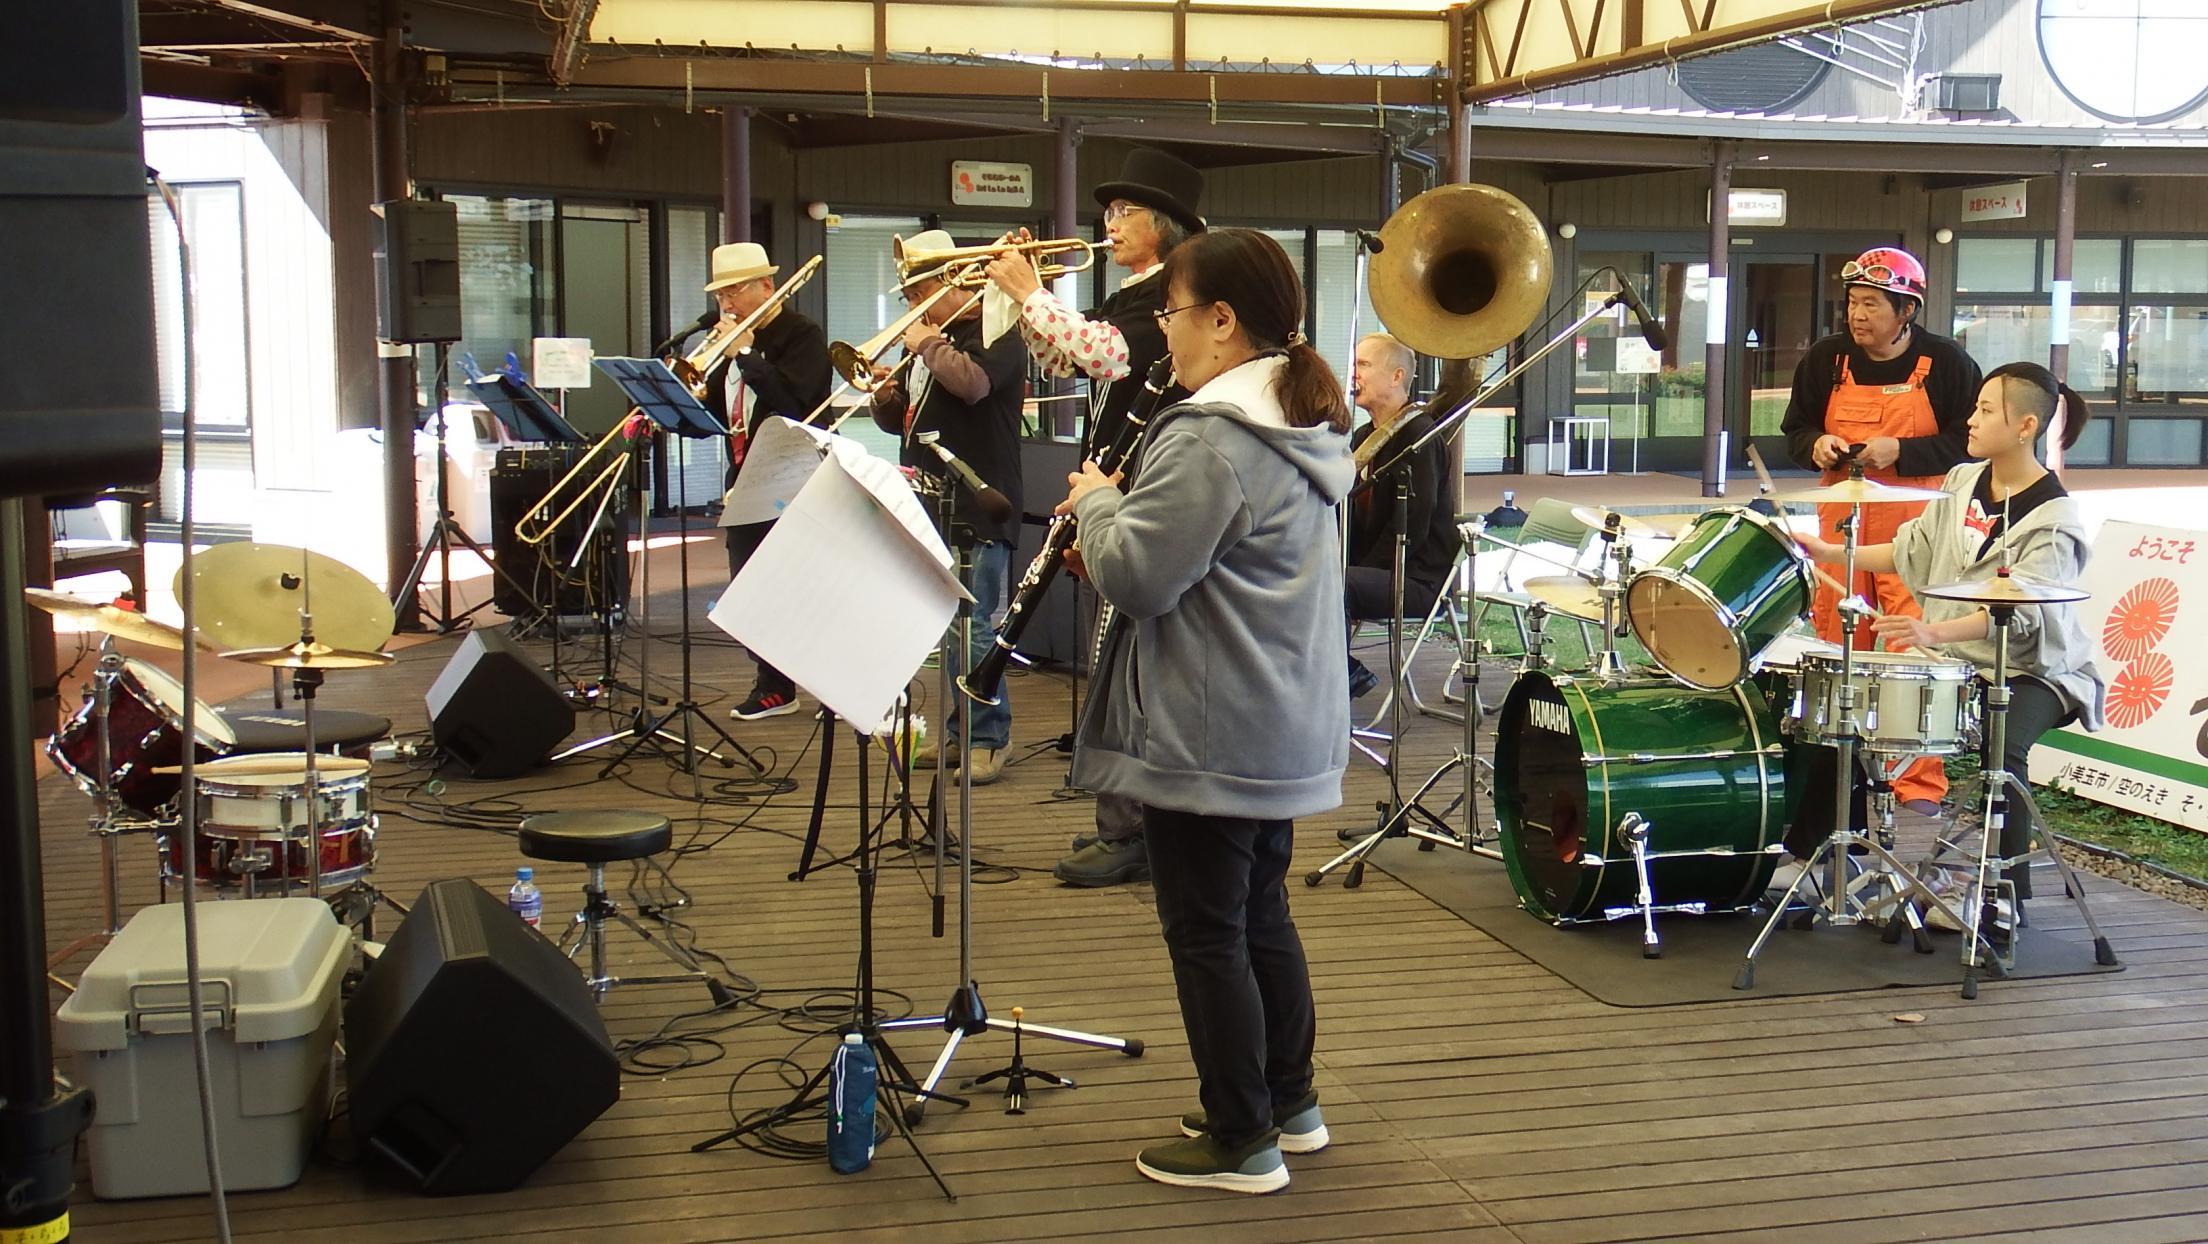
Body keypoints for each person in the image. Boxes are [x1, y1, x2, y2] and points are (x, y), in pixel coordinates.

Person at [1061, 227, 1352, 1193]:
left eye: (1171, 311)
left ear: (1223, 320)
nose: (1164, 331)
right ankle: (1287, 1104)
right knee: (1259, 912)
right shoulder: (1301, 424)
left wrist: (1097, 501)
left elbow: (1140, 576)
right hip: (1276, 718)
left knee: (1206, 932)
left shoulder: (1210, 436)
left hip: (1211, 726)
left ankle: (1241, 1139)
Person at [1794, 361, 2105, 912]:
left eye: (1985, 410)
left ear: (2026, 426)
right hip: (1955, 661)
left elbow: (2017, 611)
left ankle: (2007, 897)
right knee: (1843, 709)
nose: (1972, 420)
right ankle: (1822, 857)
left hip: (2035, 670)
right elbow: (1907, 550)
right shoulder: (1962, 481)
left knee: (2003, 750)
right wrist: (1828, 552)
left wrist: (1930, 629)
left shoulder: (2055, 519)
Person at [987, 147, 1206, 889]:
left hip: (1139, 495)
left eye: (1124, 211)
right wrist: (1030, 297)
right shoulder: (1131, 293)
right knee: (1110, 666)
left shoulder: (1168, 295)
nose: (1109, 223)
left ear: (1163, 223)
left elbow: (1107, 356)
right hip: (1110, 489)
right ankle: (1123, 821)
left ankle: (1133, 829)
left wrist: (1031, 291)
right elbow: (1062, 359)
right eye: (1107, 211)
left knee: (1125, 670)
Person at [1779, 246, 1981, 815]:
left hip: (1916, 525)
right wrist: (1815, 445)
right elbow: (1794, 429)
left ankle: (1916, 783)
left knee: (1909, 642)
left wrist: (1904, 451)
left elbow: (1970, 443)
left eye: (1872, 303)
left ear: (1905, 310)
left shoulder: (1945, 362)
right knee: (1837, 637)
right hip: (1840, 520)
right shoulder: (1826, 359)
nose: (1858, 314)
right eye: (1853, 302)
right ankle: (1836, 774)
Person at [868, 230, 1028, 785]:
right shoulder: (934, 340)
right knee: (948, 626)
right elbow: (907, 419)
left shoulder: (996, 330)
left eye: (920, 294)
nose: (914, 306)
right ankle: (963, 733)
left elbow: (973, 385)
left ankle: (990, 738)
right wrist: (885, 398)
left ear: (951, 284)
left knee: (972, 625)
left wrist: (927, 345)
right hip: (931, 498)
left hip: (980, 500)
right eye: (910, 297)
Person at [699, 241, 832, 721]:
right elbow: (722, 414)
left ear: (767, 286)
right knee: (751, 586)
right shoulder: (730, 344)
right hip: (746, 476)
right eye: (721, 296)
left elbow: (794, 402)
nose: (727, 304)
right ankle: (774, 685)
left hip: (795, 475)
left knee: (807, 587)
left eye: (734, 292)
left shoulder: (802, 334)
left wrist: (746, 352)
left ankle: (835, 685)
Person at [1344, 331, 1462, 700]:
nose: (1353, 373)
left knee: (1333, 584)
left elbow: (1410, 527)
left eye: (1363, 365)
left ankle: (1340, 674)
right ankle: (1332, 672)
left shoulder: (1419, 436)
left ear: (1396, 377)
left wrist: (1356, 573)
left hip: (1417, 579)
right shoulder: (1364, 436)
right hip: (1377, 572)